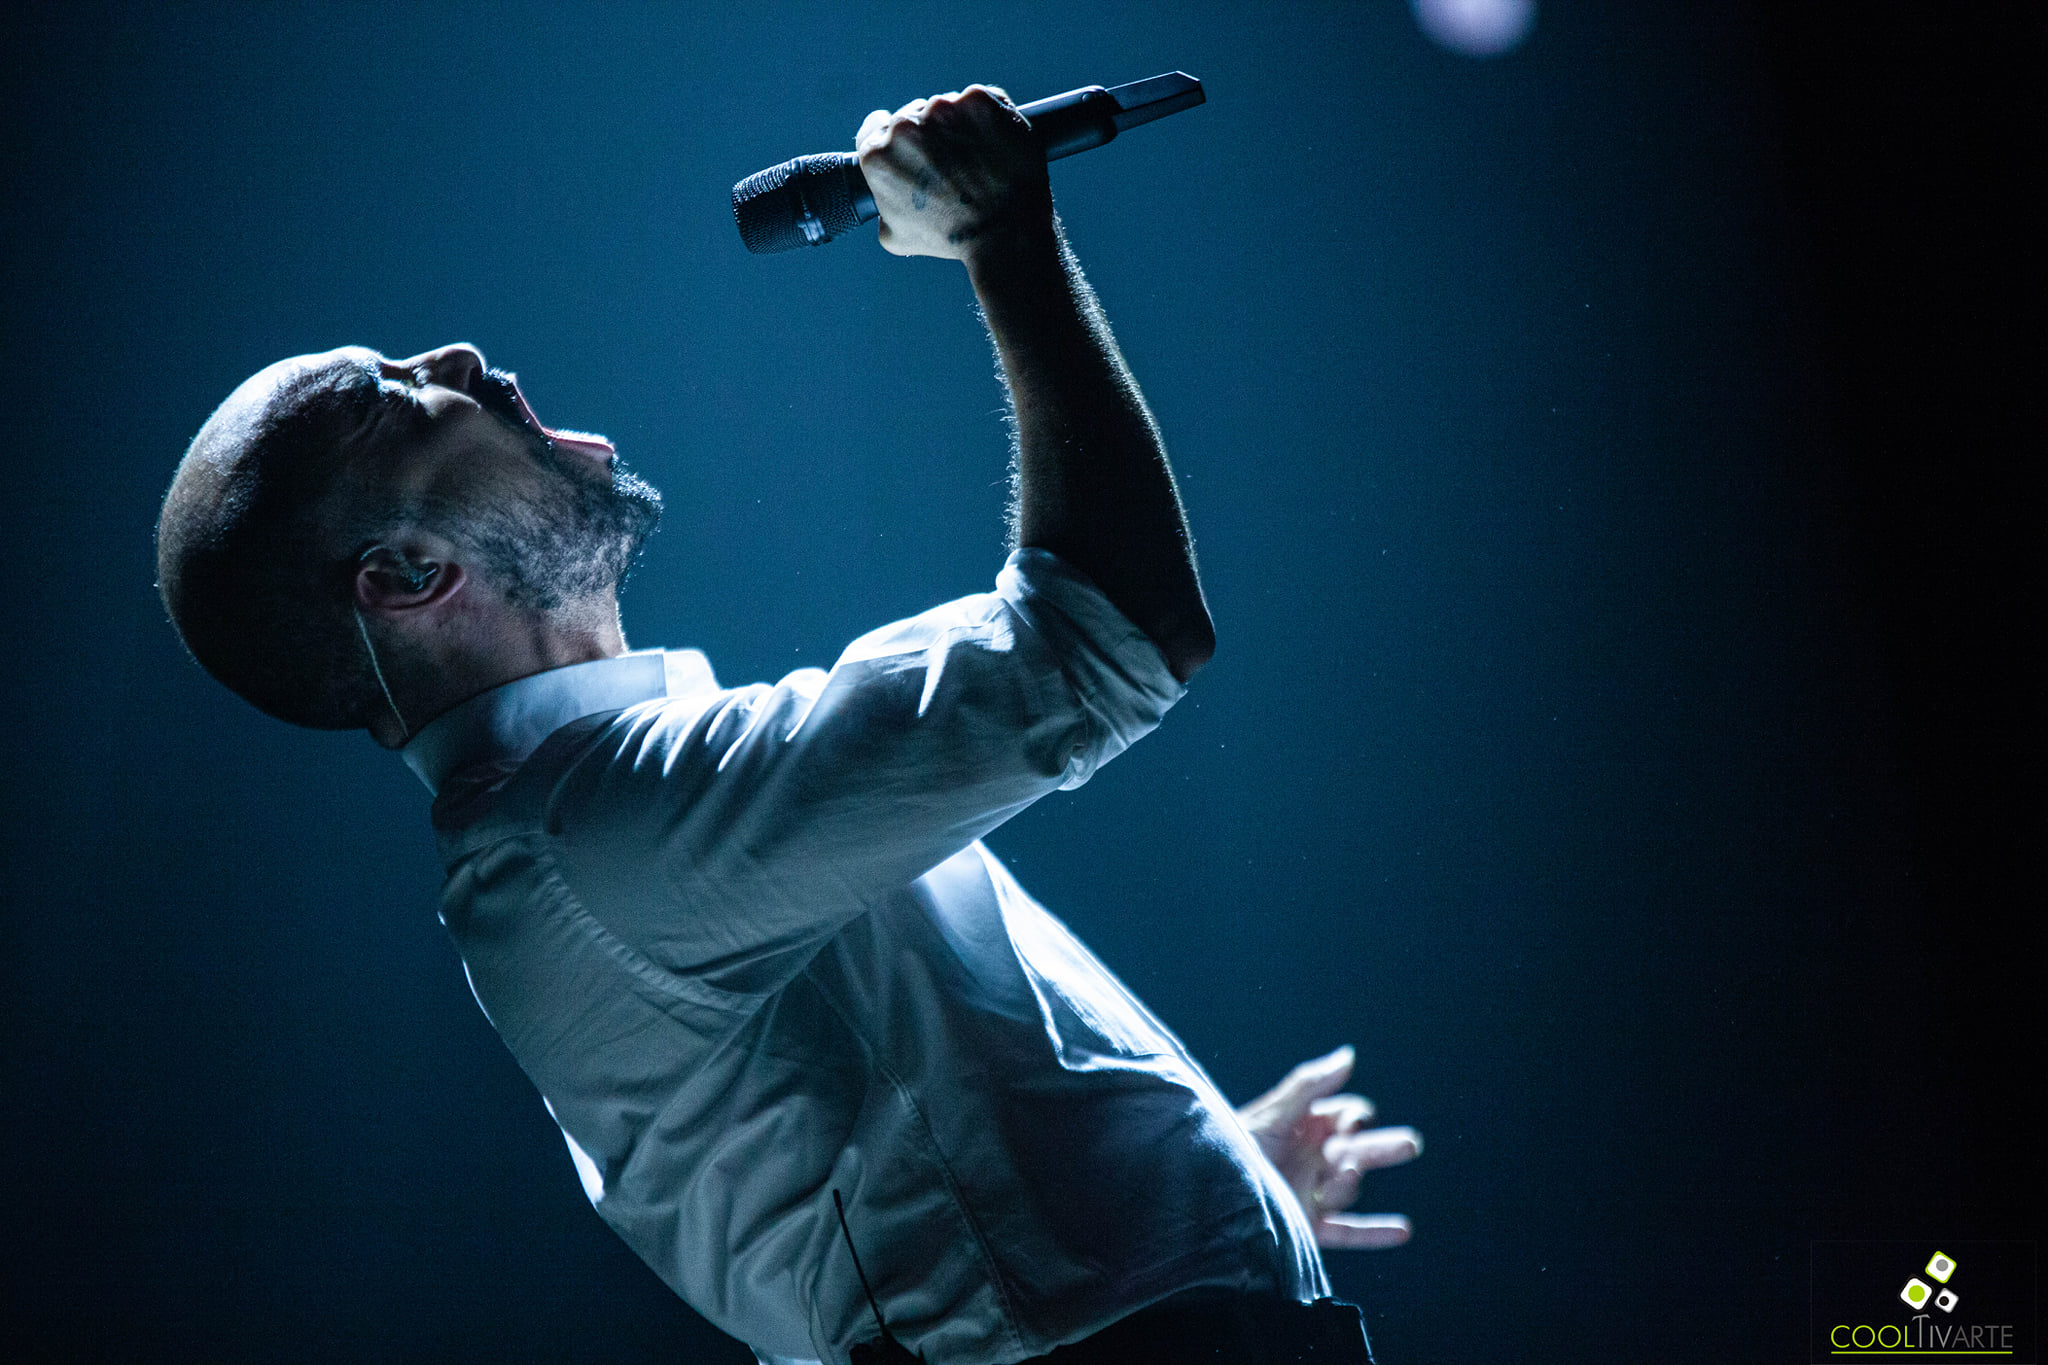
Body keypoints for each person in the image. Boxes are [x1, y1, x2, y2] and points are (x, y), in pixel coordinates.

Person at [155, 85, 1421, 1365]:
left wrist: (1197, 1188)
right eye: (391, 397)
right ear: (406, 576)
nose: (468, 365)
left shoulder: (610, 818)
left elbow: (915, 1133)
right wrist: (1002, 239)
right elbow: (1113, 630)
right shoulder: (594, 838)